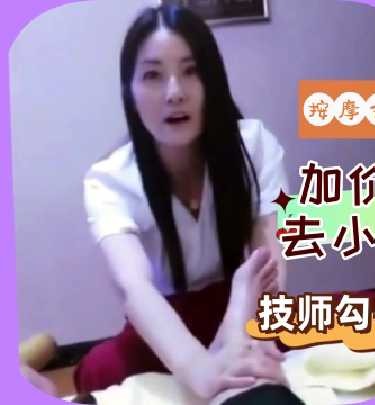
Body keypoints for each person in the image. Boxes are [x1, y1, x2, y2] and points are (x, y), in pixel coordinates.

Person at [74, 5, 303, 405]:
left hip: (245, 305)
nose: (174, 92)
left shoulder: (254, 145)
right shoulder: (109, 180)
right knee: (97, 370)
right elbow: (134, 287)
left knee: (367, 321)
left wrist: (243, 335)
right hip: (165, 328)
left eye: (191, 70)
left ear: (212, 80)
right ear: (129, 91)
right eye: (152, 75)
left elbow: (267, 262)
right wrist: (203, 370)